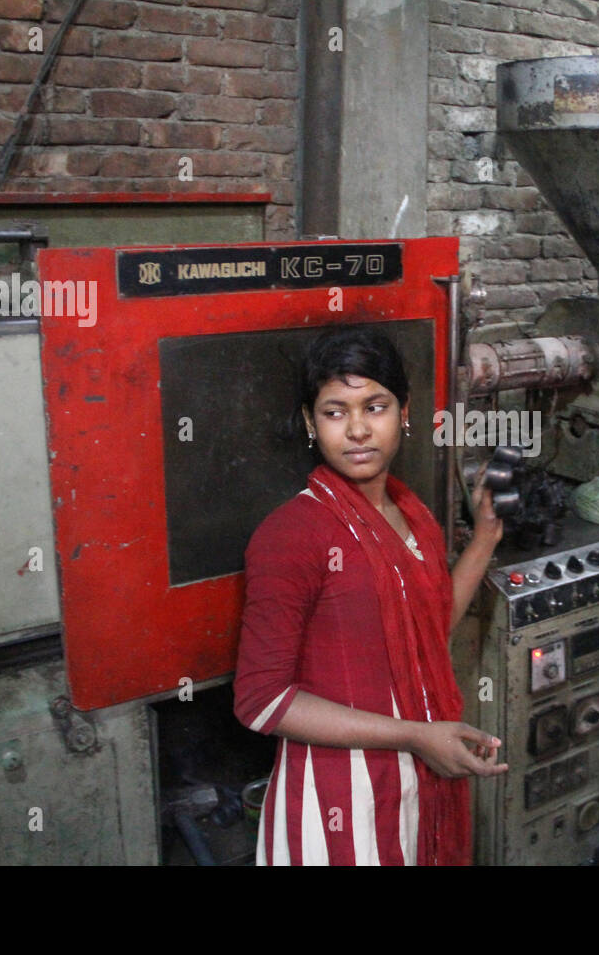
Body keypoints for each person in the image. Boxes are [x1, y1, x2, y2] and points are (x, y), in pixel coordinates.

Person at [234, 325, 508, 866]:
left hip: (418, 783)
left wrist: (484, 539)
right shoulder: (293, 534)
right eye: (336, 412)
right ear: (312, 423)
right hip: (340, 798)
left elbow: (426, 631)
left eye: (374, 406)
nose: (358, 429)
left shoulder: (414, 518)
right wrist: (415, 736)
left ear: (403, 411)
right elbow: (261, 700)